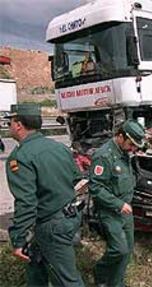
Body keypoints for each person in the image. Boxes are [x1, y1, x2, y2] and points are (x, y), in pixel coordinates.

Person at [5, 103, 84, 286]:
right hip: (69, 217)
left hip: (51, 225)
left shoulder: (21, 157)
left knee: (67, 280)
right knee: (36, 266)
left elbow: (26, 202)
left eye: (10, 122)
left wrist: (18, 239)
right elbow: (77, 180)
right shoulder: (60, 148)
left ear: (18, 124)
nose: (9, 127)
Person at [89, 119, 145, 287]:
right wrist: (118, 204)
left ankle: (116, 283)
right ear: (120, 136)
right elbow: (96, 188)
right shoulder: (104, 156)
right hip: (110, 210)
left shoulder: (124, 152)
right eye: (131, 144)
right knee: (119, 249)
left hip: (126, 210)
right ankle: (100, 272)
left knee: (126, 251)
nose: (133, 149)